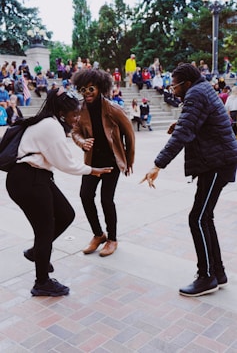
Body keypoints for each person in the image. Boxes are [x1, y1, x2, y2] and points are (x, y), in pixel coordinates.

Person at [141, 63, 237, 297]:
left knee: (197, 218)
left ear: (186, 83)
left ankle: (206, 277)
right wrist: (180, 124)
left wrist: (158, 164)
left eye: (174, 85)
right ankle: (219, 273)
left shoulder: (195, 94)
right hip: (216, 161)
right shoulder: (202, 90)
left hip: (217, 163)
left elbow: (185, 132)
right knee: (205, 217)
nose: (172, 90)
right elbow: (196, 123)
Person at [6, 87, 113, 297]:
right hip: (28, 180)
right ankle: (42, 283)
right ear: (62, 112)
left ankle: (36, 252)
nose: (77, 119)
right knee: (44, 230)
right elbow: (66, 164)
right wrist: (93, 171)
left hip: (36, 177)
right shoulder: (51, 126)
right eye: (74, 114)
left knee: (65, 214)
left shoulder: (50, 122)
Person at [71, 68, 135, 257]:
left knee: (106, 200)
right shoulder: (80, 109)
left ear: (100, 87)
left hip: (111, 161)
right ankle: (98, 235)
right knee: (85, 196)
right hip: (92, 162)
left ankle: (112, 239)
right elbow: (75, 131)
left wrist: (128, 160)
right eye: (83, 90)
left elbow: (129, 134)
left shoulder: (113, 109)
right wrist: (82, 142)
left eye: (91, 89)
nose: (87, 94)